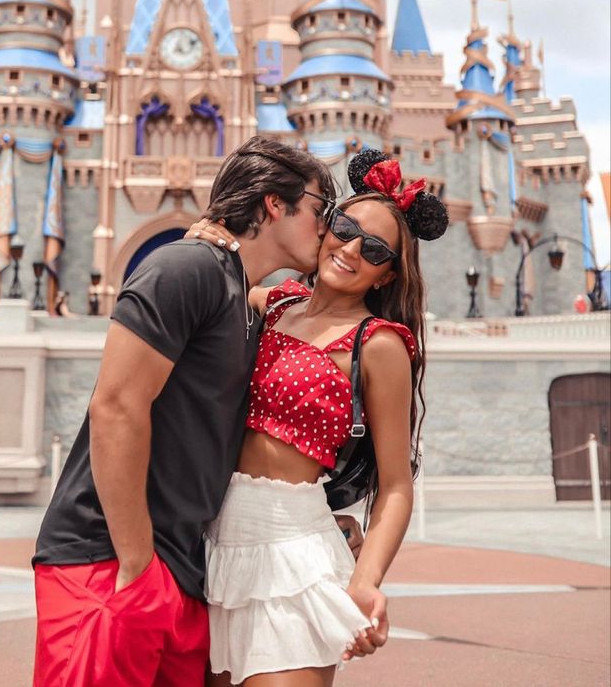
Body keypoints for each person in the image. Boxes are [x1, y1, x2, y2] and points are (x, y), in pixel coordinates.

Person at [32, 136, 356, 687]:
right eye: (320, 210)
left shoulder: (241, 297)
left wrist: (316, 517)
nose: (327, 229)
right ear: (275, 204)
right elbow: (115, 407)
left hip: (183, 572)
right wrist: (137, 565)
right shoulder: (187, 269)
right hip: (109, 559)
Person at [189, 147, 448, 687]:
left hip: (296, 554)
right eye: (345, 227)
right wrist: (208, 236)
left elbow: (397, 485)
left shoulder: (378, 345)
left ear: (386, 276)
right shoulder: (276, 304)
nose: (351, 249)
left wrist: (368, 580)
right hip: (216, 545)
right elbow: (221, 279)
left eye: (374, 249)